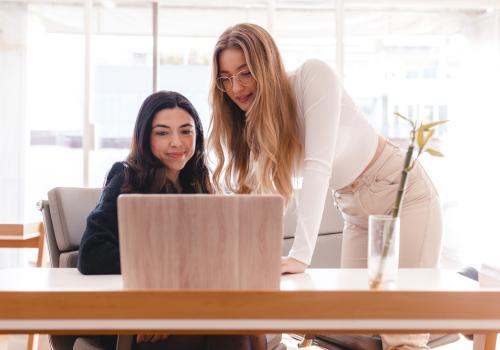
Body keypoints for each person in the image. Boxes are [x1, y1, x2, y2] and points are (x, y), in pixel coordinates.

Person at [208, 23, 442, 350]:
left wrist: (300, 256)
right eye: (226, 77)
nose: (235, 87)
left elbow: (318, 166)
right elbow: (262, 199)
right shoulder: (261, 123)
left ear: (267, 65)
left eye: (245, 73)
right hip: (355, 210)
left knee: (403, 333)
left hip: (403, 193)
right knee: (355, 331)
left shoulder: (312, 78)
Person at [78, 91, 266, 350]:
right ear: (145, 137)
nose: (177, 142)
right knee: (235, 335)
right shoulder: (126, 177)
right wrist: (163, 293)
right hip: (134, 313)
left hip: (188, 308)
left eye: (186, 131)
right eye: (163, 133)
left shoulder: (197, 183)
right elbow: (91, 254)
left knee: (251, 328)